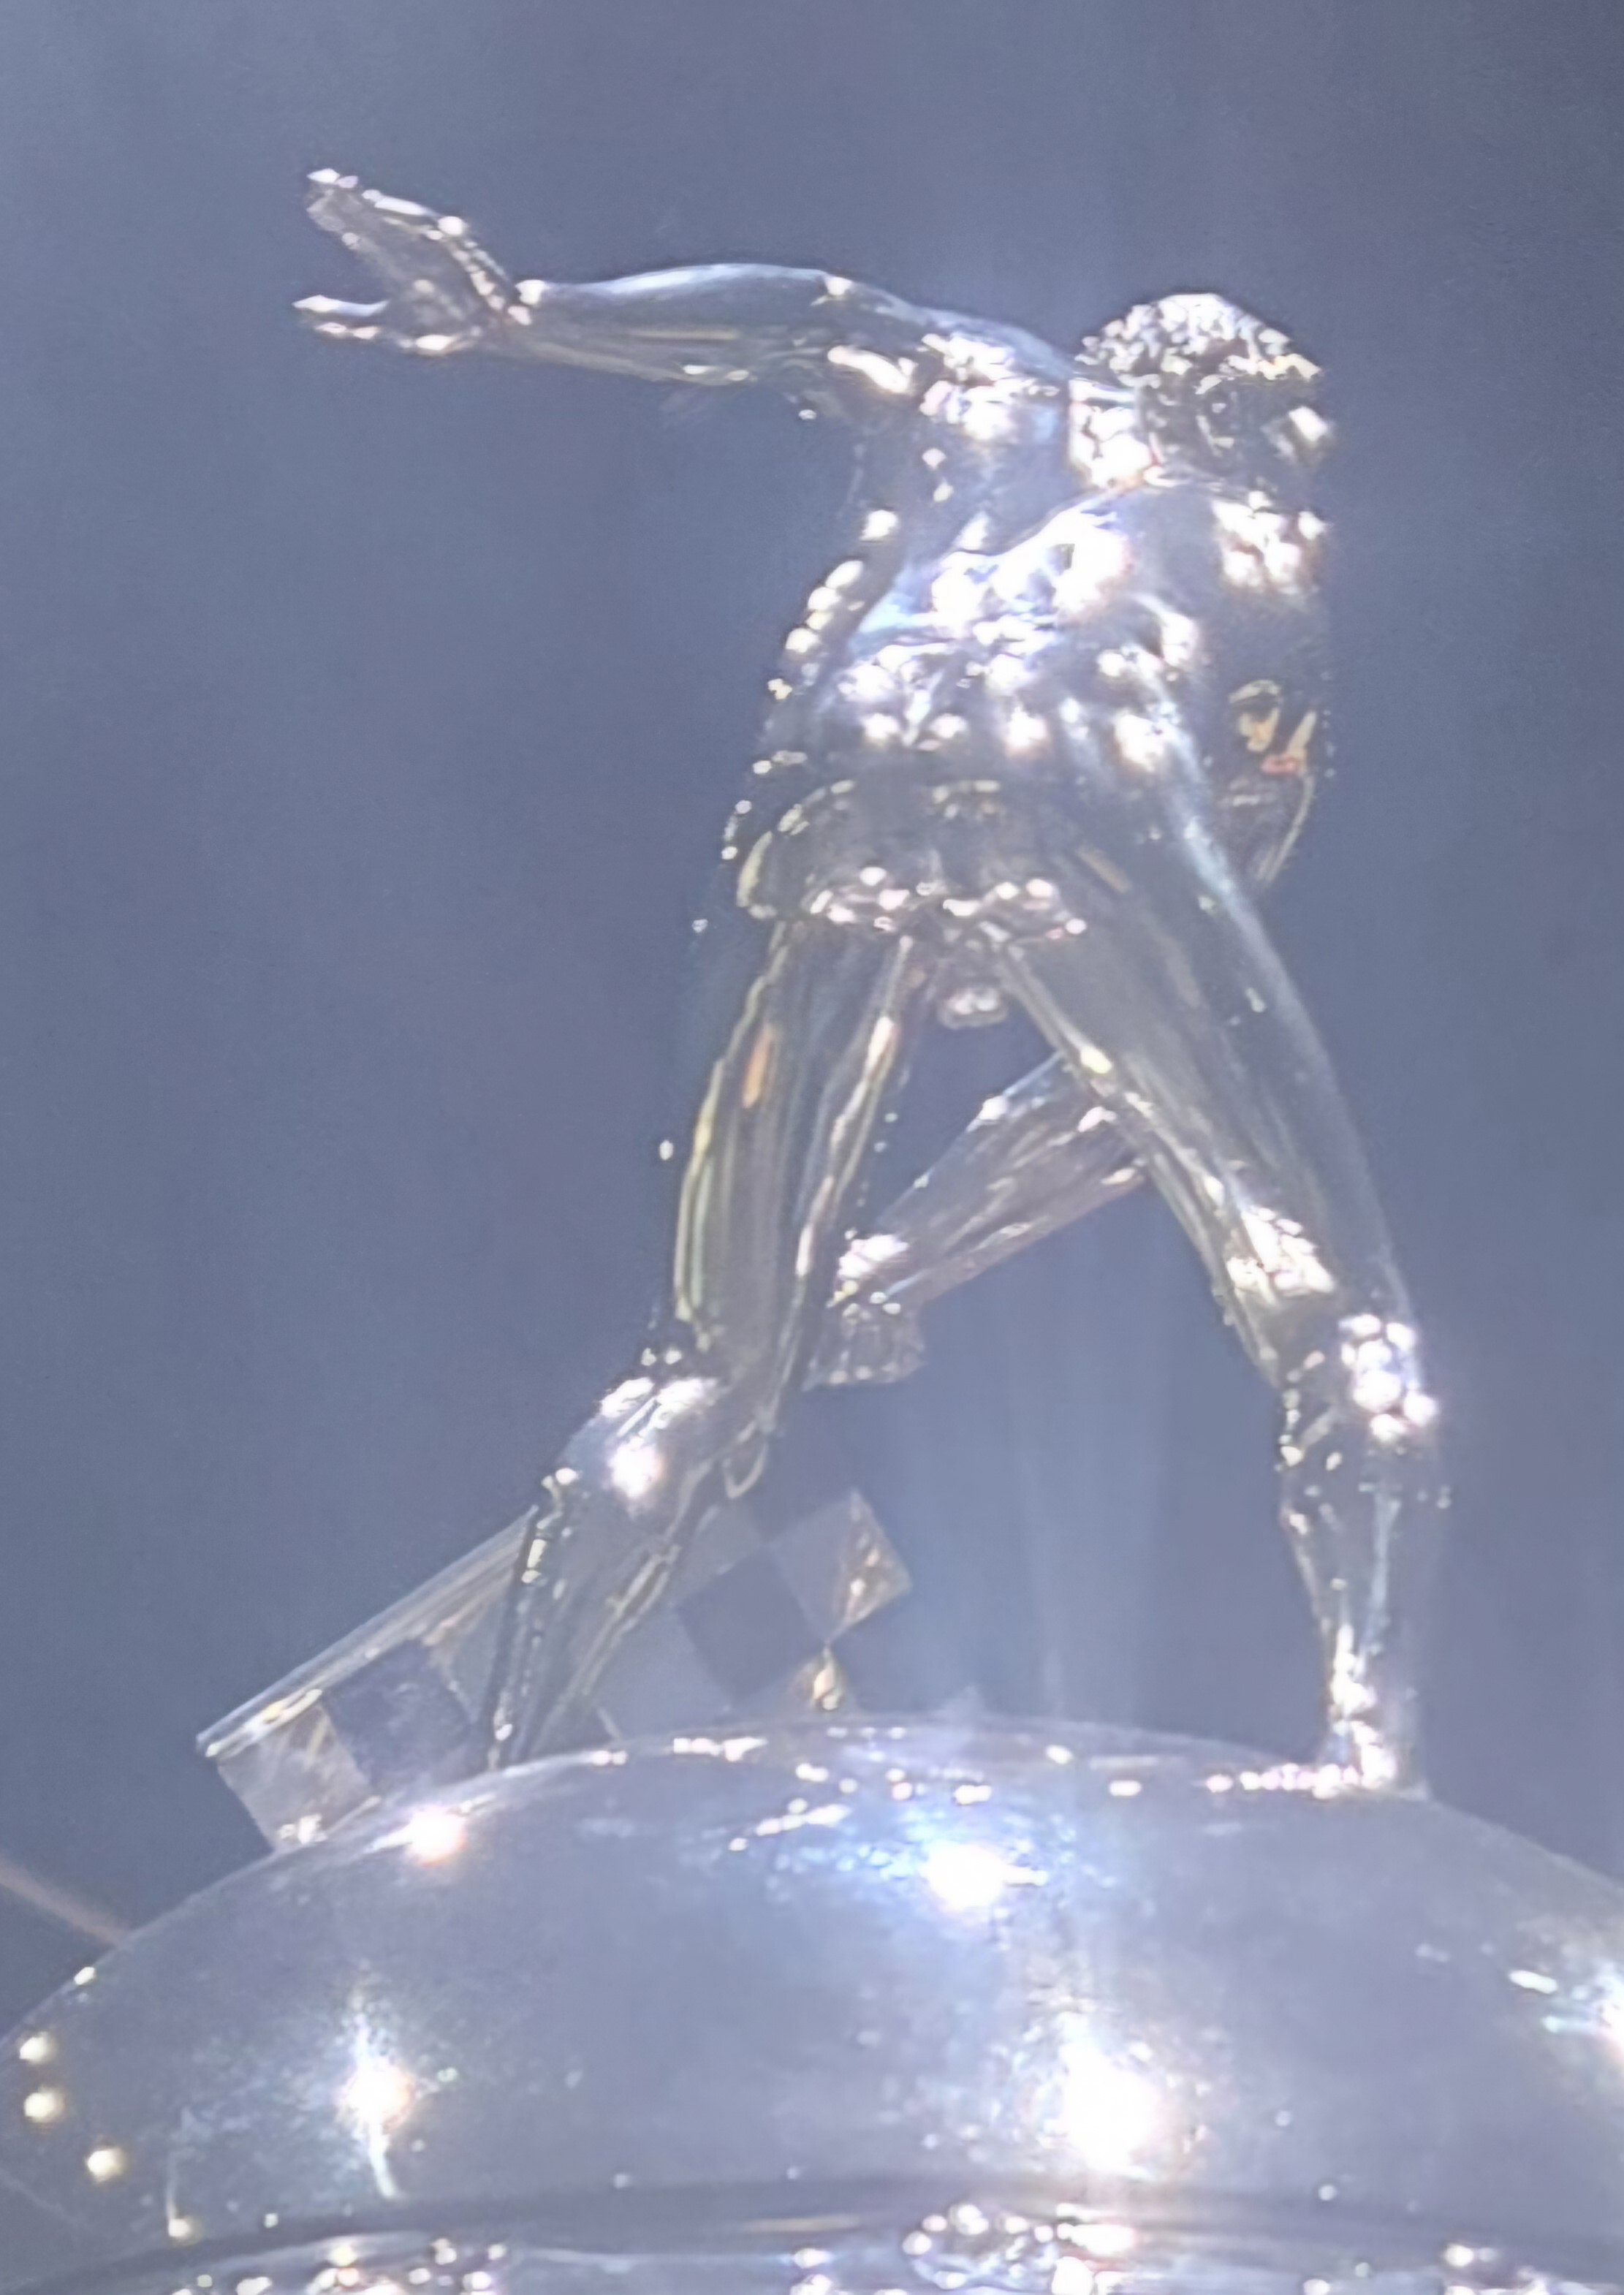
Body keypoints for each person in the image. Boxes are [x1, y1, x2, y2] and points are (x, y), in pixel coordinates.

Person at [300, 174, 1443, 1789]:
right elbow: (1127, 1100)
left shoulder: (989, 382)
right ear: (1227, 411)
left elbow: (807, 321)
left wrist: (529, 315)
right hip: (1089, 751)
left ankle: (503, 1761)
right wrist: (907, 1258)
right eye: (1290, 414)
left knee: (702, 1368)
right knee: (1344, 1323)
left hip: (833, 763)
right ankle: (1371, 1747)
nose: (1310, 443)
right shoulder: (1260, 566)